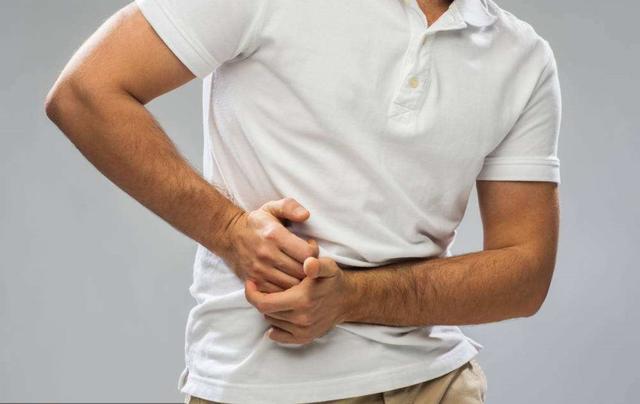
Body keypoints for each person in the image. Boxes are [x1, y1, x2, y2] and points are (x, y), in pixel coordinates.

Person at [45, 0, 561, 402]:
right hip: (263, 386)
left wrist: (352, 297)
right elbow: (86, 92)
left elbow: (526, 273)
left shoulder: (522, 57)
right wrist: (229, 231)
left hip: (438, 384)